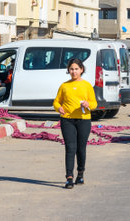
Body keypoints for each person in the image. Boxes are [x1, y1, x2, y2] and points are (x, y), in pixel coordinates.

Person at [53, 58, 97, 189]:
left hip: (84, 119)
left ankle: (81, 173)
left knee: (81, 149)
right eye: (71, 69)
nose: (74, 71)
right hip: (67, 120)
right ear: (68, 70)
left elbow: (94, 103)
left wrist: (88, 104)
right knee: (70, 148)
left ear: (81, 70)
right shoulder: (64, 86)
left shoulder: (87, 85)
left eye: (76, 69)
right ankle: (69, 177)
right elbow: (56, 101)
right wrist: (58, 108)